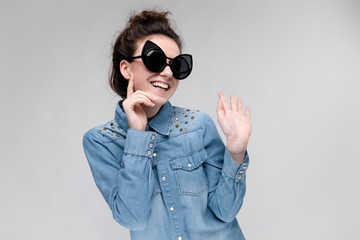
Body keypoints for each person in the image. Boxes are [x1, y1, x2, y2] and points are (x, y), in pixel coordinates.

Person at [83, 10, 252, 240]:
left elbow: (226, 211)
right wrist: (137, 136)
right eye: (155, 60)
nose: (167, 72)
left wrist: (236, 152)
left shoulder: (198, 125)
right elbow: (133, 217)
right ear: (126, 68)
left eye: (178, 65)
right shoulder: (101, 141)